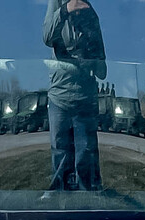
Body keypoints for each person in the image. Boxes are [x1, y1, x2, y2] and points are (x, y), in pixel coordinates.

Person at [43, 0, 106, 192]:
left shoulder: (91, 15)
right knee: (59, 148)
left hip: (84, 97)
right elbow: (47, 37)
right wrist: (65, 10)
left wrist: (90, 61)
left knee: (85, 151)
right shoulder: (57, 4)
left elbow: (102, 68)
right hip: (59, 96)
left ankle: (88, 196)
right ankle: (57, 193)